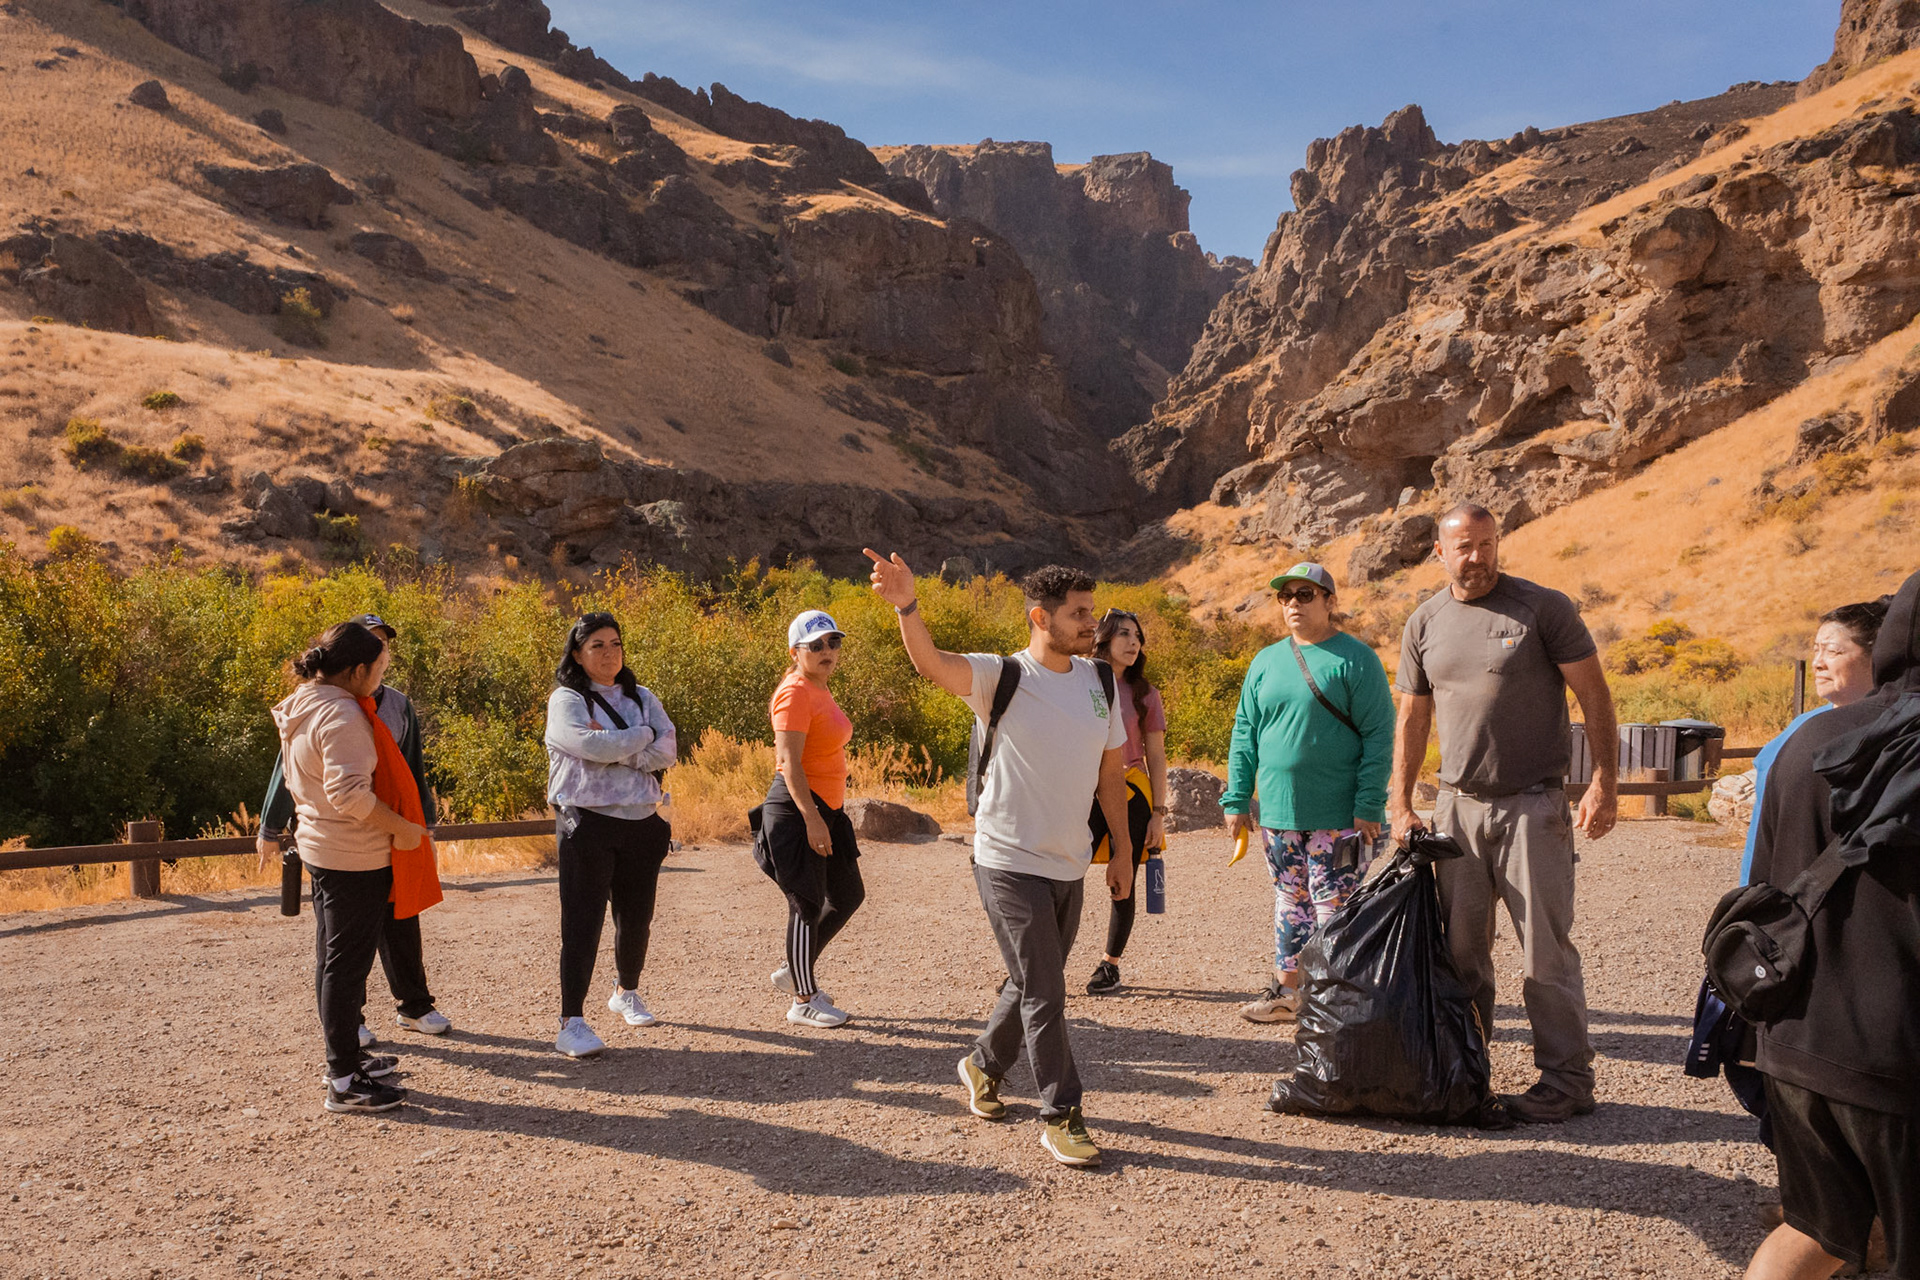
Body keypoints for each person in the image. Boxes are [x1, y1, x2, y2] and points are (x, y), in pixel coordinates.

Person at [866, 550, 1131, 1168]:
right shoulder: (1001, 676)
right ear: (1041, 617)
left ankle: (982, 1064)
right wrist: (908, 605)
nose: (1092, 624)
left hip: (1069, 862)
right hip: (1007, 860)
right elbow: (931, 663)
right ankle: (1062, 1113)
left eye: (1092, 612)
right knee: (1046, 987)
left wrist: (1119, 850)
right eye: (1079, 614)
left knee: (1027, 979)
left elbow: (1111, 772)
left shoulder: (1100, 683)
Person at [1388, 504, 1619, 1125]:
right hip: (1456, 807)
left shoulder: (1544, 608)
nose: (1479, 556)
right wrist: (1401, 802)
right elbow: (1413, 719)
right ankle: (1466, 1072)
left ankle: (1568, 1081)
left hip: (1533, 805)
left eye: (1487, 544)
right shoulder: (1425, 622)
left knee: (1546, 950)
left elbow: (1593, 694)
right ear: (1439, 551)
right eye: (1465, 546)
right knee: (1461, 952)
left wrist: (1602, 780)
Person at [1740, 566, 1919, 1280]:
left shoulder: (1808, 740)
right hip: (1898, 1055)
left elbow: (1762, 886)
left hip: (1798, 1043)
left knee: (1815, 1233)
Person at [257, 613, 452, 1051]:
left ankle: (371, 1038)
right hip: (354, 848)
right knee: (345, 965)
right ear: (358, 668)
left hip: (333, 845)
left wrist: (422, 822)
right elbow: (346, 793)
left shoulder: (306, 703)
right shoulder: (342, 714)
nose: (385, 671)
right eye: (380, 662)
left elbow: (410, 768)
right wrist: (403, 829)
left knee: (347, 955)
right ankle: (344, 1068)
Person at [1222, 563, 1395, 1023]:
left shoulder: (1357, 660)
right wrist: (1237, 798)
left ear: (1329, 602)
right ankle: (1288, 993)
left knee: (1333, 908)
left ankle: (1335, 1004)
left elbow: (1380, 736)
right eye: (1285, 597)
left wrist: (1369, 805)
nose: (1293, 603)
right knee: (1289, 900)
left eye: (1305, 594)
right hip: (1279, 813)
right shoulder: (1265, 662)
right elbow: (1245, 732)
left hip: (1339, 814)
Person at [544, 612, 679, 1059]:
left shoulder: (641, 696)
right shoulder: (566, 700)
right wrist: (639, 738)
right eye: (597, 645)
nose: (609, 652)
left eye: (615, 643)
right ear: (578, 655)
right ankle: (572, 1021)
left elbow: (668, 749)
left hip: (642, 819)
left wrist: (624, 744)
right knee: (582, 922)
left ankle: (627, 991)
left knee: (637, 917)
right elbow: (587, 745)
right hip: (588, 820)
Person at [753, 608, 866, 1029]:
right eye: (815, 645)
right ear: (795, 651)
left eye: (833, 643)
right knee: (806, 902)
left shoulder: (819, 688)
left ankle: (793, 967)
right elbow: (788, 763)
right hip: (800, 809)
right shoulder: (795, 692)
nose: (826, 651)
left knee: (848, 894)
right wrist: (812, 819)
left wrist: (827, 817)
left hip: (828, 810)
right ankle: (803, 999)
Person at [1742, 600, 1888, 885]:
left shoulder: (1895, 735)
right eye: (1816, 649)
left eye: (1833, 651)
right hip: (1773, 878)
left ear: (1876, 657)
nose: (1818, 662)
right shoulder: (1800, 727)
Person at [1083, 608, 1169, 996]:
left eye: (1137, 636)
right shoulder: (1077, 680)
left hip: (1132, 790)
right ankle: (1036, 964)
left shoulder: (1146, 695)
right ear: (1103, 639)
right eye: (1123, 635)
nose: (1133, 643)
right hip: (1081, 790)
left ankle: (1110, 965)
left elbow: (1156, 757)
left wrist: (1158, 813)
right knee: (1060, 873)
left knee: (1126, 878)